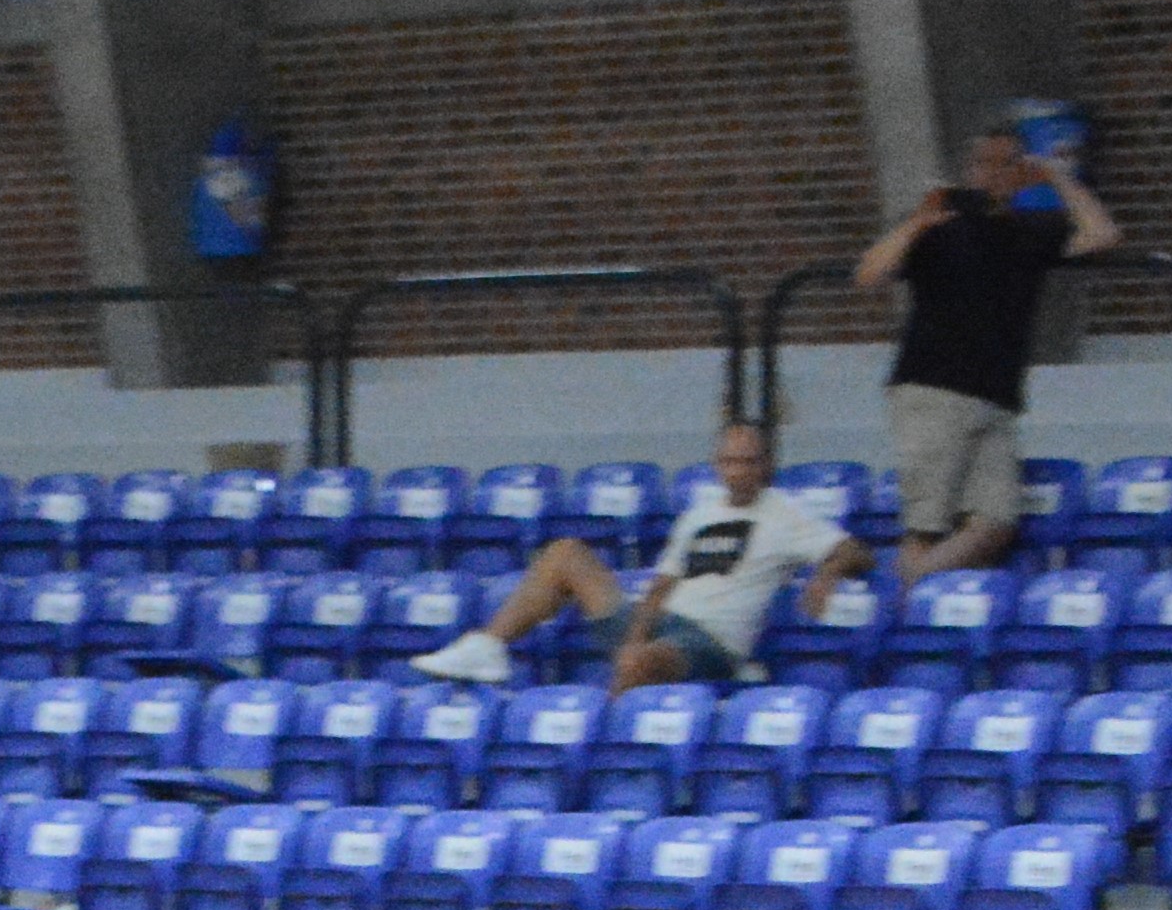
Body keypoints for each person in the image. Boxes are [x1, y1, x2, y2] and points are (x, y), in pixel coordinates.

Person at [402, 416, 864, 689]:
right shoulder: (699, 514)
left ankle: (601, 752)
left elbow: (857, 553)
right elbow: (662, 585)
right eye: (729, 461)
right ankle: (487, 646)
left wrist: (827, 573)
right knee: (565, 553)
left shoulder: (785, 513)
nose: (738, 471)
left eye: (748, 461)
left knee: (636, 662)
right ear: (717, 465)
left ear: (766, 464)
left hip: (710, 643)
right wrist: (636, 634)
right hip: (662, 623)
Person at [850, 121, 1118, 579]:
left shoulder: (1031, 230)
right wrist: (917, 223)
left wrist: (1056, 178)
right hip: (933, 390)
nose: (993, 173)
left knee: (995, 523)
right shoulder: (939, 225)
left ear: (1022, 170)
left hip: (996, 397)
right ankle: (913, 603)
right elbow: (869, 274)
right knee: (927, 526)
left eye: (1006, 163)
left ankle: (914, 582)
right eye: (983, 163)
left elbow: (1102, 234)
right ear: (969, 169)